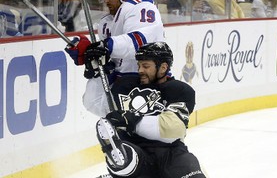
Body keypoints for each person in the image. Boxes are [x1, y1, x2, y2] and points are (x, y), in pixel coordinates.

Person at [83, 42, 206, 178]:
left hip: (170, 154)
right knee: (128, 158)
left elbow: (173, 129)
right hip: (138, 152)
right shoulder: (125, 85)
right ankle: (120, 158)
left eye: (146, 66)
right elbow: (93, 104)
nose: (140, 70)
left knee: (189, 165)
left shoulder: (179, 90)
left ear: (163, 67)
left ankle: (120, 167)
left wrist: (132, 121)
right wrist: (95, 76)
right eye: (139, 65)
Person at [65, 0, 164, 83]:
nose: (106, 0)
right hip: (122, 82)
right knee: (92, 91)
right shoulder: (106, 22)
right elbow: (114, 57)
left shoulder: (141, 6)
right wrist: (91, 55)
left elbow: (140, 43)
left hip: (147, 81)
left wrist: (106, 46)